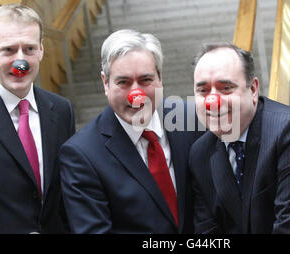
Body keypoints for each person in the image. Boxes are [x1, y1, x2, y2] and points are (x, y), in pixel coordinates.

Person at [59, 29, 202, 234]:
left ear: (160, 79)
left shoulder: (191, 120)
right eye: (123, 82)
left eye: (145, 80)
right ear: (105, 83)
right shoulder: (81, 155)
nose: (137, 95)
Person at [189, 43, 290, 234]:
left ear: (253, 89)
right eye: (203, 91)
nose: (212, 102)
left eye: (226, 88)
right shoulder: (200, 153)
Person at [0, 4, 75, 233]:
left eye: (29, 49)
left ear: (41, 50)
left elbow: (66, 195)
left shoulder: (62, 110)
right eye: (9, 50)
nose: (20, 62)